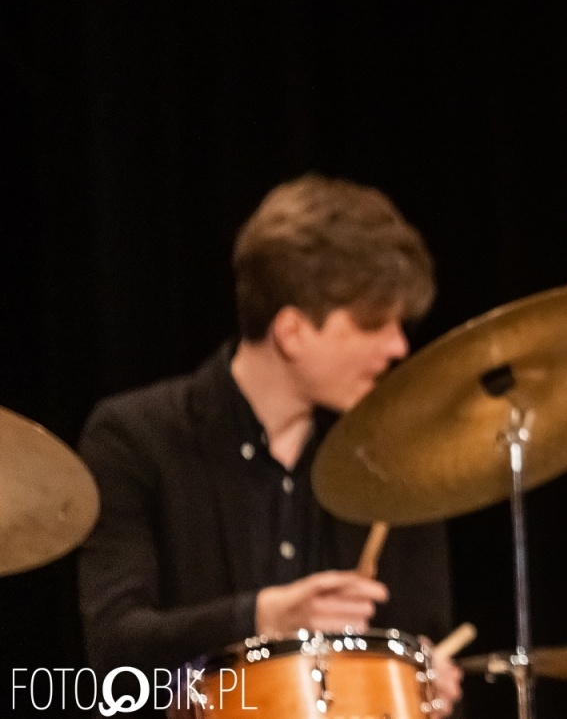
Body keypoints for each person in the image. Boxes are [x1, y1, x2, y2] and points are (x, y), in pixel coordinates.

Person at [77, 174, 463, 714]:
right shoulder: (136, 439)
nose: (398, 345)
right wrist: (261, 618)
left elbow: (423, 649)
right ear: (292, 332)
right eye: (375, 323)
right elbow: (114, 648)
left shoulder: (388, 460)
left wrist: (431, 681)